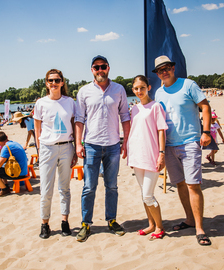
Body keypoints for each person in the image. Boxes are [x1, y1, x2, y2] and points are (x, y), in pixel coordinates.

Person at [153, 55, 212, 246]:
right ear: (157, 74)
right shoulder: (159, 93)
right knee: (179, 184)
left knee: (193, 185)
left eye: (167, 67)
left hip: (190, 142)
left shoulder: (188, 85)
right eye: (160, 70)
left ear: (173, 68)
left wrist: (206, 132)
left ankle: (200, 228)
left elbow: (205, 106)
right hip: (169, 146)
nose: (164, 71)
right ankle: (189, 219)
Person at [75, 55, 131, 242]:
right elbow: (79, 120)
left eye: (103, 66)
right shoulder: (84, 92)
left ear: (108, 68)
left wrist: (126, 142)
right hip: (91, 145)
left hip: (114, 145)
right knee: (89, 187)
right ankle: (86, 224)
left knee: (112, 186)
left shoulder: (119, 89)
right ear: (92, 70)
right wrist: (78, 144)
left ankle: (111, 220)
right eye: (96, 67)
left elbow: (125, 117)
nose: (100, 70)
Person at [34, 69, 77, 239]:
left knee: (64, 188)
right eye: (50, 80)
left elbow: (74, 125)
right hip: (47, 149)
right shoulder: (41, 103)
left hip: (67, 147)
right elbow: (37, 129)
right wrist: (39, 151)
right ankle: (45, 224)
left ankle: (64, 221)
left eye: (57, 80)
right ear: (46, 83)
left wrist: (75, 149)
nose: (54, 83)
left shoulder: (70, 102)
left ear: (62, 82)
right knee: (46, 190)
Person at [128, 75, 168, 240]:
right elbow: (133, 132)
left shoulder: (156, 106)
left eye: (142, 88)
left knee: (148, 195)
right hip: (137, 156)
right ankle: (151, 224)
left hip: (152, 156)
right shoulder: (134, 109)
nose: (139, 91)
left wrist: (161, 153)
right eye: (136, 89)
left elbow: (161, 130)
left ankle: (160, 226)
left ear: (148, 88)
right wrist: (131, 155)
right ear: (133, 90)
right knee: (143, 194)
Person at [0, 131, 28, 197]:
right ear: (6, 137)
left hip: (17, 173)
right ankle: (5, 186)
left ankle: (4, 189)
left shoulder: (6, 147)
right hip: (23, 171)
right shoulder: (14, 143)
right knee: (2, 166)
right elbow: (4, 160)